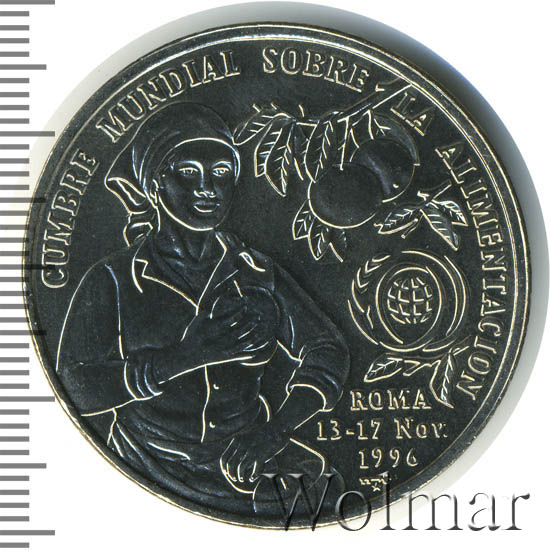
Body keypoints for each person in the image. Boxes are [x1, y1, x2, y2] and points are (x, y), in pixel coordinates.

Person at [57, 102, 350, 515]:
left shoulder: (257, 271)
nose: (207, 188)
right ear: (155, 184)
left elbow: (328, 350)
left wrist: (275, 432)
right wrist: (187, 356)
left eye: (221, 172)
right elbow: (75, 385)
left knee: (327, 498)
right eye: (188, 172)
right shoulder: (113, 279)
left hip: (247, 464)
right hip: (143, 469)